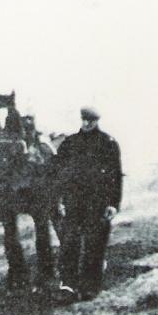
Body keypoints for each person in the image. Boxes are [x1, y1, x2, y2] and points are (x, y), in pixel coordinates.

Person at [53, 106, 123, 301]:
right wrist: (59, 200)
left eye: (90, 120)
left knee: (95, 244)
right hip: (73, 201)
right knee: (69, 243)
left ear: (96, 121)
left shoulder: (108, 143)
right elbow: (59, 174)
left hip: (98, 202)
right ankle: (68, 285)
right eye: (84, 120)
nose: (86, 124)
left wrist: (113, 204)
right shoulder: (70, 143)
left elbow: (115, 177)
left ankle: (90, 286)